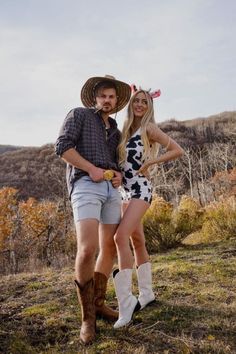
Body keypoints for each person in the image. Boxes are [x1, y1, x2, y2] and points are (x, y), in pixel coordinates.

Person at [55, 75, 131, 344]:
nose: (107, 100)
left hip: (111, 190)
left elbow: (112, 160)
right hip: (85, 184)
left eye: (112, 97)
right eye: (103, 96)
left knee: (108, 247)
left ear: (116, 101)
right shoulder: (79, 116)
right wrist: (91, 169)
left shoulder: (115, 130)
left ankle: (98, 303)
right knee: (87, 248)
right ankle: (87, 318)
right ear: (95, 98)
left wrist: (119, 175)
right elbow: (63, 147)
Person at [113, 86, 184, 328]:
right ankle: (147, 293)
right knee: (137, 241)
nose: (140, 105)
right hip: (124, 191)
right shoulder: (125, 130)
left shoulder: (149, 128)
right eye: (137, 101)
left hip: (142, 189)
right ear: (131, 104)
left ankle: (125, 304)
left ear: (149, 105)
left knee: (119, 237)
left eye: (144, 101)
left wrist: (152, 161)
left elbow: (177, 150)